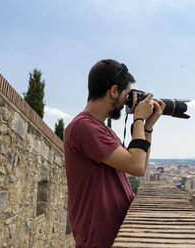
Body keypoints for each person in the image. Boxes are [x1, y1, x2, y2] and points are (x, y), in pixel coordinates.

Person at [64, 59, 165, 248]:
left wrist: (147, 126)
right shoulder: (83, 127)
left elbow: (139, 166)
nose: (128, 102)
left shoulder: (102, 130)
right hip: (99, 240)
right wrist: (138, 118)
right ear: (113, 91)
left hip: (113, 236)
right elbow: (135, 165)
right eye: (127, 95)